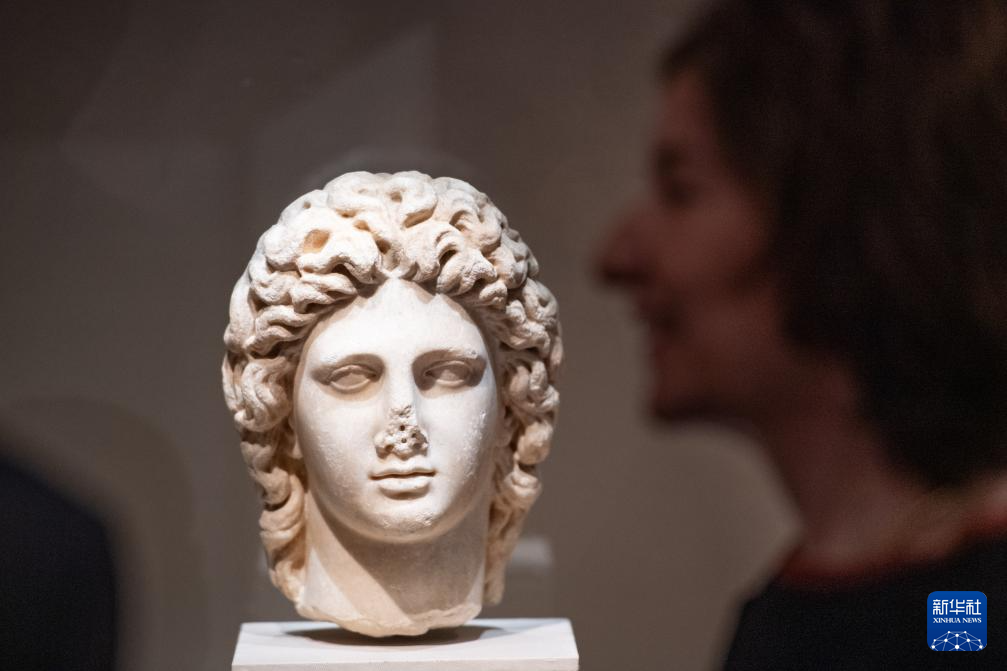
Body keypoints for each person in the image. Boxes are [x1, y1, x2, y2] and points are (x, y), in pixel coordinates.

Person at [598, 0, 1007, 667]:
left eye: (682, 191)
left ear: (840, 217)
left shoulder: (966, 604)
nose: (615, 258)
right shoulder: (805, 612)